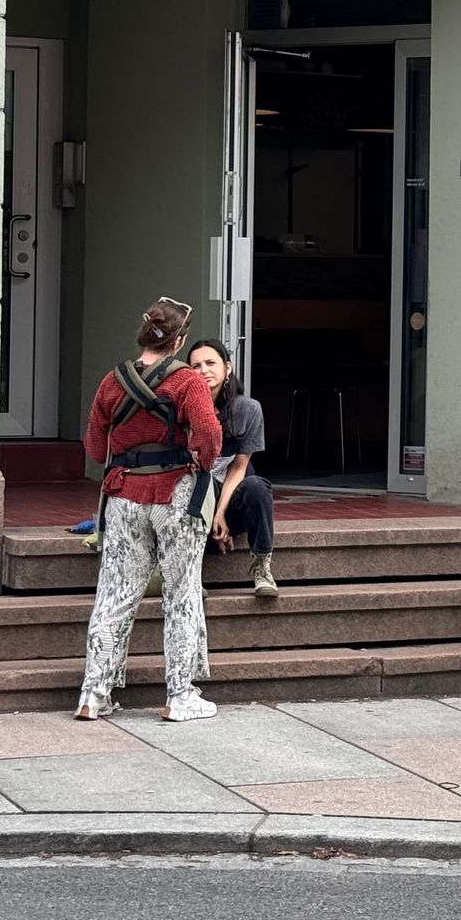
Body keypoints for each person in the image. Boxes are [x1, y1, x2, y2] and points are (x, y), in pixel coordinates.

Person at [77, 297, 222, 723]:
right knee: (182, 595)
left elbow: (93, 445)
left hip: (123, 494)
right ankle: (180, 694)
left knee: (114, 595)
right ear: (178, 341)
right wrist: (202, 460)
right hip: (175, 493)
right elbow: (209, 433)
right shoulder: (187, 382)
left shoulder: (112, 381)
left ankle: (93, 693)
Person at [186, 338, 278, 597]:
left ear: (228, 368)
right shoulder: (182, 411)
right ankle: (189, 573)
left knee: (257, 486)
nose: (203, 370)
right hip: (194, 500)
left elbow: (239, 467)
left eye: (210, 363)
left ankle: (262, 566)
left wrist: (220, 513)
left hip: (230, 494)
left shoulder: (247, 409)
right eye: (196, 365)